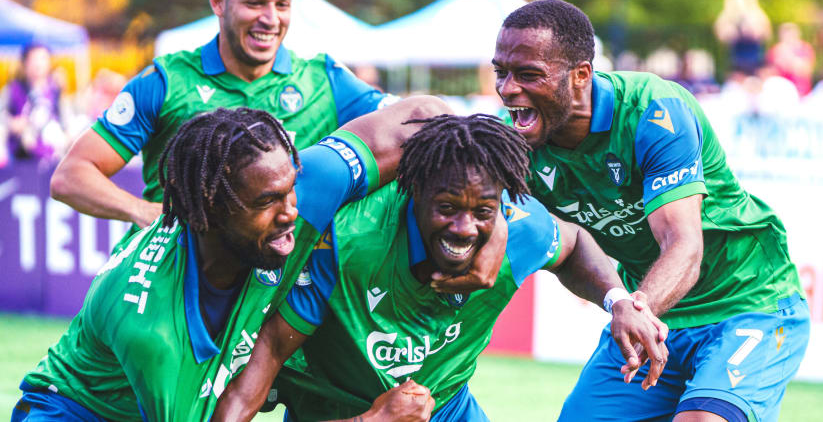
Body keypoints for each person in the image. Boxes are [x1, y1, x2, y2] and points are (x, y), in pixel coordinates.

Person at [14, 100, 499, 421]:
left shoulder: (302, 193)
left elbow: (426, 114)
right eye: (269, 202)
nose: (293, 214)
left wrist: (493, 224)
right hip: (76, 412)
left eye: (291, 192)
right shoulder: (155, 332)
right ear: (209, 213)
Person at [211, 114, 669, 422]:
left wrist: (618, 301)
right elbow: (270, 351)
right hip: (333, 410)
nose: (464, 229)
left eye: (483, 212)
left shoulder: (521, 231)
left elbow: (573, 242)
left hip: (447, 406)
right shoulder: (350, 242)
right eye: (446, 207)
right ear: (415, 193)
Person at [492, 0, 809, 422]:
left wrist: (636, 310)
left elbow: (684, 246)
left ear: (582, 75)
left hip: (750, 300)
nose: (507, 88)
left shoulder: (654, 110)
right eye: (501, 72)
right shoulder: (514, 139)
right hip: (654, 315)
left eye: (528, 75)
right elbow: (566, 249)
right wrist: (618, 302)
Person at [49, 0, 397, 232]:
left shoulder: (326, 80)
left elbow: (411, 129)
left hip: (276, 298)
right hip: (174, 288)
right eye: (255, 2)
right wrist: (142, 211)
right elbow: (71, 176)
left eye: (282, 4)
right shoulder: (166, 82)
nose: (271, 18)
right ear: (218, 1)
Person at [1, 43, 69, 163]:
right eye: (34, 59)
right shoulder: (13, 89)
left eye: (43, 59)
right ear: (24, 63)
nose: (38, 64)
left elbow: (67, 121)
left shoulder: (56, 90)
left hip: (52, 156)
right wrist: (12, 123)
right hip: (20, 157)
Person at [767, 22, 815, 97]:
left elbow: (805, 70)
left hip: (801, 91)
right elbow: (771, 73)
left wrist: (788, 58)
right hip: (782, 91)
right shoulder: (775, 50)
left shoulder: (805, 48)